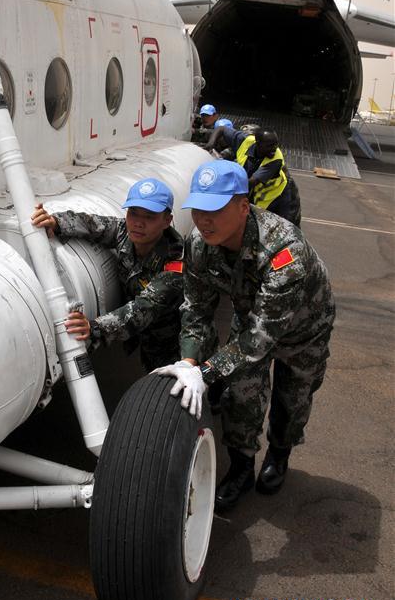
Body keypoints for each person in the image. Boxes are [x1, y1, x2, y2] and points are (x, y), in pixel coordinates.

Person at [155, 160, 335, 510]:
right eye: (198, 210)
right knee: (241, 393)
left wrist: (204, 374)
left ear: (242, 206)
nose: (204, 220)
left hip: (303, 330)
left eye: (215, 210)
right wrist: (189, 360)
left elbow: (261, 338)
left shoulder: (284, 252)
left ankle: (279, 454)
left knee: (292, 399)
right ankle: (241, 469)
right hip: (251, 317)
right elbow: (196, 309)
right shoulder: (199, 244)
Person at [31, 178, 184, 371]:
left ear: (166, 221)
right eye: (133, 213)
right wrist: (56, 222)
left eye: (150, 216)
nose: (138, 223)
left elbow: (144, 307)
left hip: (174, 345)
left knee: (172, 388)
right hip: (146, 339)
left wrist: (96, 327)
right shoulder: (125, 232)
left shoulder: (175, 261)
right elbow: (93, 224)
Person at [206, 125, 301, 226]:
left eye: (276, 145)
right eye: (269, 146)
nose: (274, 149)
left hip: (280, 197)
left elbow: (249, 183)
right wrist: (211, 144)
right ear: (258, 143)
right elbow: (221, 129)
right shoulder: (245, 141)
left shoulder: (275, 160)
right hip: (258, 196)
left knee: (286, 228)